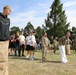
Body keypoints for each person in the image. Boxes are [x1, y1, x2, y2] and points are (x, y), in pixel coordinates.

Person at [0, 5, 12, 75]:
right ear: (6, 9)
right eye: (9, 11)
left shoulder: (8, 20)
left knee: (5, 60)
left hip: (6, 42)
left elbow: (7, 30)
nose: (10, 13)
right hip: (0, 41)